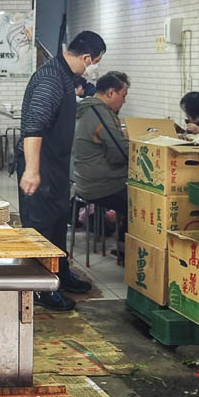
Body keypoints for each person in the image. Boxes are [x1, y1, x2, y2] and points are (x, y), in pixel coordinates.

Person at [16, 30, 107, 311]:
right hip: (40, 162)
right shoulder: (51, 78)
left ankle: (60, 274)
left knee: (57, 221)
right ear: (86, 57)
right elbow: (34, 126)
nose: (94, 68)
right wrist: (32, 170)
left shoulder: (66, 75)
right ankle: (41, 289)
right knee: (41, 226)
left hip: (54, 163)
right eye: (96, 62)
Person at [73, 72, 130, 264]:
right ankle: (126, 253)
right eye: (123, 96)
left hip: (83, 179)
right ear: (112, 92)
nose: (123, 102)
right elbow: (120, 153)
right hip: (100, 184)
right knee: (140, 204)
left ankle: (124, 247)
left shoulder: (86, 108)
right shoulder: (100, 113)